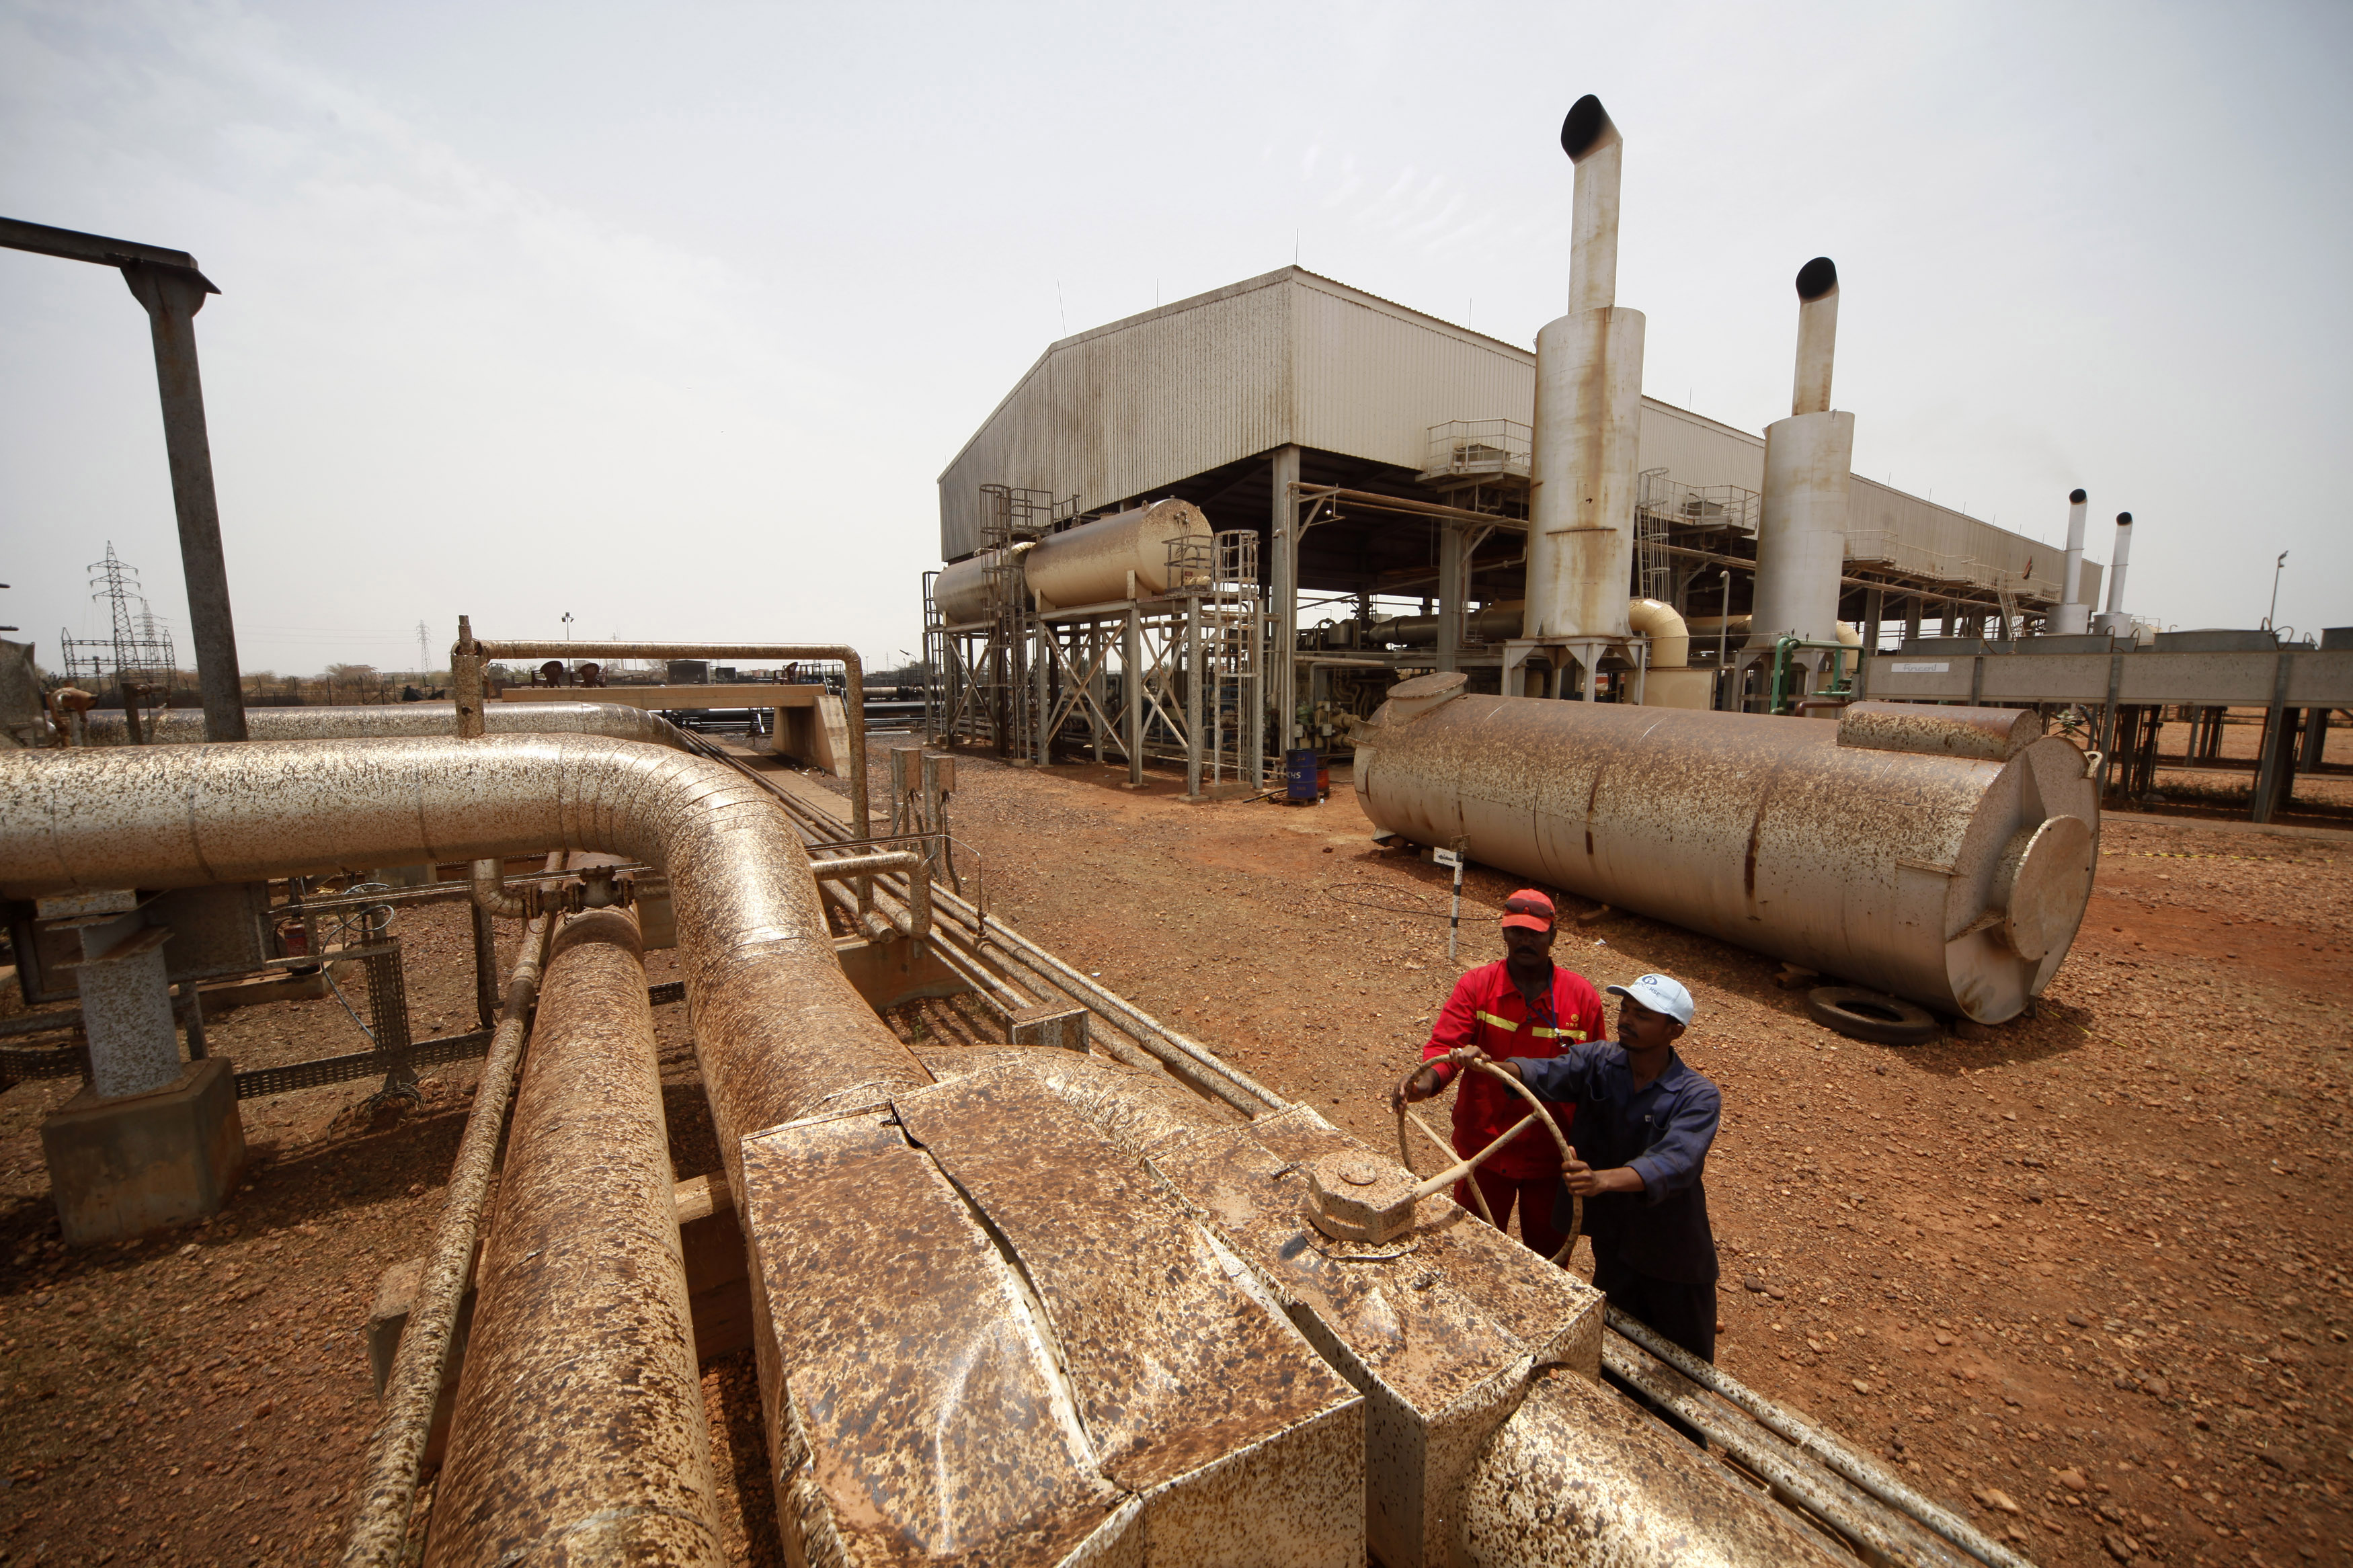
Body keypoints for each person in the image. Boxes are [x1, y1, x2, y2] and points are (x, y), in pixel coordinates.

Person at [1430, 971, 1724, 1370]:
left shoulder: (1698, 1095)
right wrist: (1488, 1066)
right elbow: (1544, 1073)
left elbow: (1675, 1162)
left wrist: (1601, 1180)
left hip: (1672, 1253)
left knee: (1684, 1373)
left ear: (1675, 1030)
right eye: (1625, 1009)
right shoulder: (1599, 1061)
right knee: (1612, 1357)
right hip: (1613, 1243)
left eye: (1643, 1015)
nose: (1626, 1020)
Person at [1389, 889, 1605, 1260]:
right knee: (1475, 1254)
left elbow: (1597, 1077)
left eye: (1535, 933)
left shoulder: (1581, 998)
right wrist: (1422, 1084)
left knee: (1549, 1262)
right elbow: (1446, 1049)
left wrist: (1592, 1150)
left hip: (1551, 1156)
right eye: (1517, 931)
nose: (1525, 940)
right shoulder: (1477, 987)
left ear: (1553, 936)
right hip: (1484, 1149)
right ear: (1504, 933)